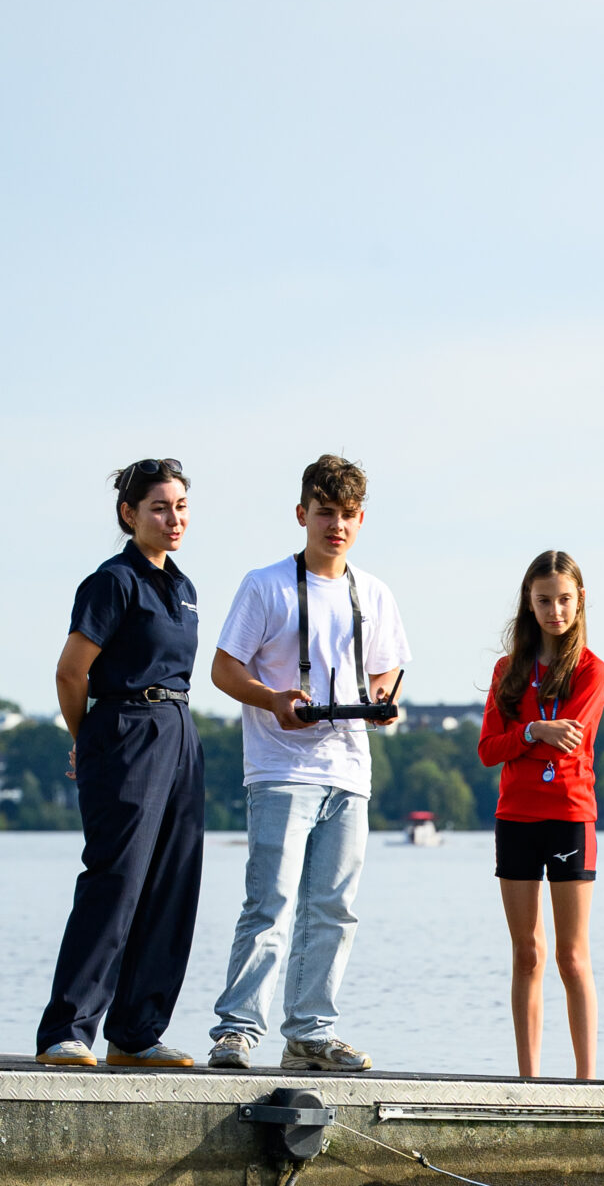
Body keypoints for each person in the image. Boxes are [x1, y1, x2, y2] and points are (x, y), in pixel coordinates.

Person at [205, 455, 408, 1074]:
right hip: (279, 767)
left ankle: (310, 1032)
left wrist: (382, 702)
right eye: (325, 513)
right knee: (269, 902)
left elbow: (387, 669)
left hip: (348, 769)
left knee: (335, 907)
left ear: (361, 519)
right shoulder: (264, 584)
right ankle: (237, 1030)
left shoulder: (373, 592)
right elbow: (222, 668)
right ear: (302, 515)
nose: (336, 526)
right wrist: (272, 699)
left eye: (348, 515)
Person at [35, 458, 204, 1066]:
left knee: (171, 886)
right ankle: (66, 1031)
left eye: (181, 506)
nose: (173, 518)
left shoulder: (183, 588)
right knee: (116, 882)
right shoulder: (112, 582)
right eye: (160, 507)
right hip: (125, 728)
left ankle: (135, 1034)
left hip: (180, 730)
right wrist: (90, 738)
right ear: (129, 515)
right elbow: (69, 671)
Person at [476, 551, 604, 1080]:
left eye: (564, 600)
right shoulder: (507, 672)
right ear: (529, 605)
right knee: (527, 953)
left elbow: (570, 742)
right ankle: (527, 1083)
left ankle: (586, 1083)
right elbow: (488, 750)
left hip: (570, 815)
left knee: (572, 958)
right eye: (544, 600)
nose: (555, 610)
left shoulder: (591, 670)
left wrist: (526, 739)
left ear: (580, 602)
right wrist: (532, 732)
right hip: (516, 818)